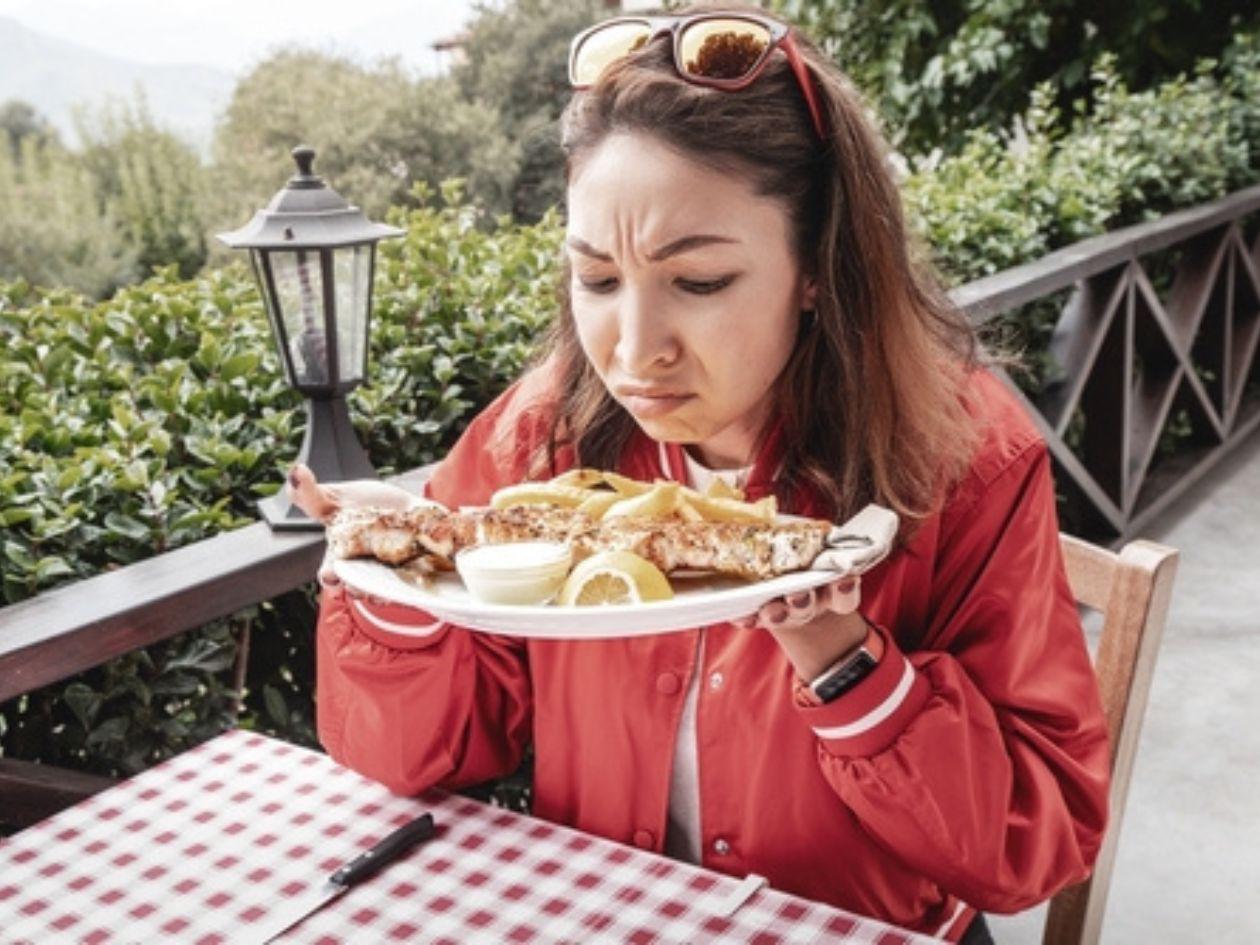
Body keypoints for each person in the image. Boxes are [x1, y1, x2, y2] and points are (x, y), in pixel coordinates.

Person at [290, 8, 1109, 942]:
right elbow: (408, 756)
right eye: (598, 280)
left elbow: (1040, 837)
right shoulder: (541, 436)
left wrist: (845, 661)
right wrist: (397, 577)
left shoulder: (963, 456)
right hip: (607, 915)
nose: (635, 352)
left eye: (700, 282)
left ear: (817, 266)